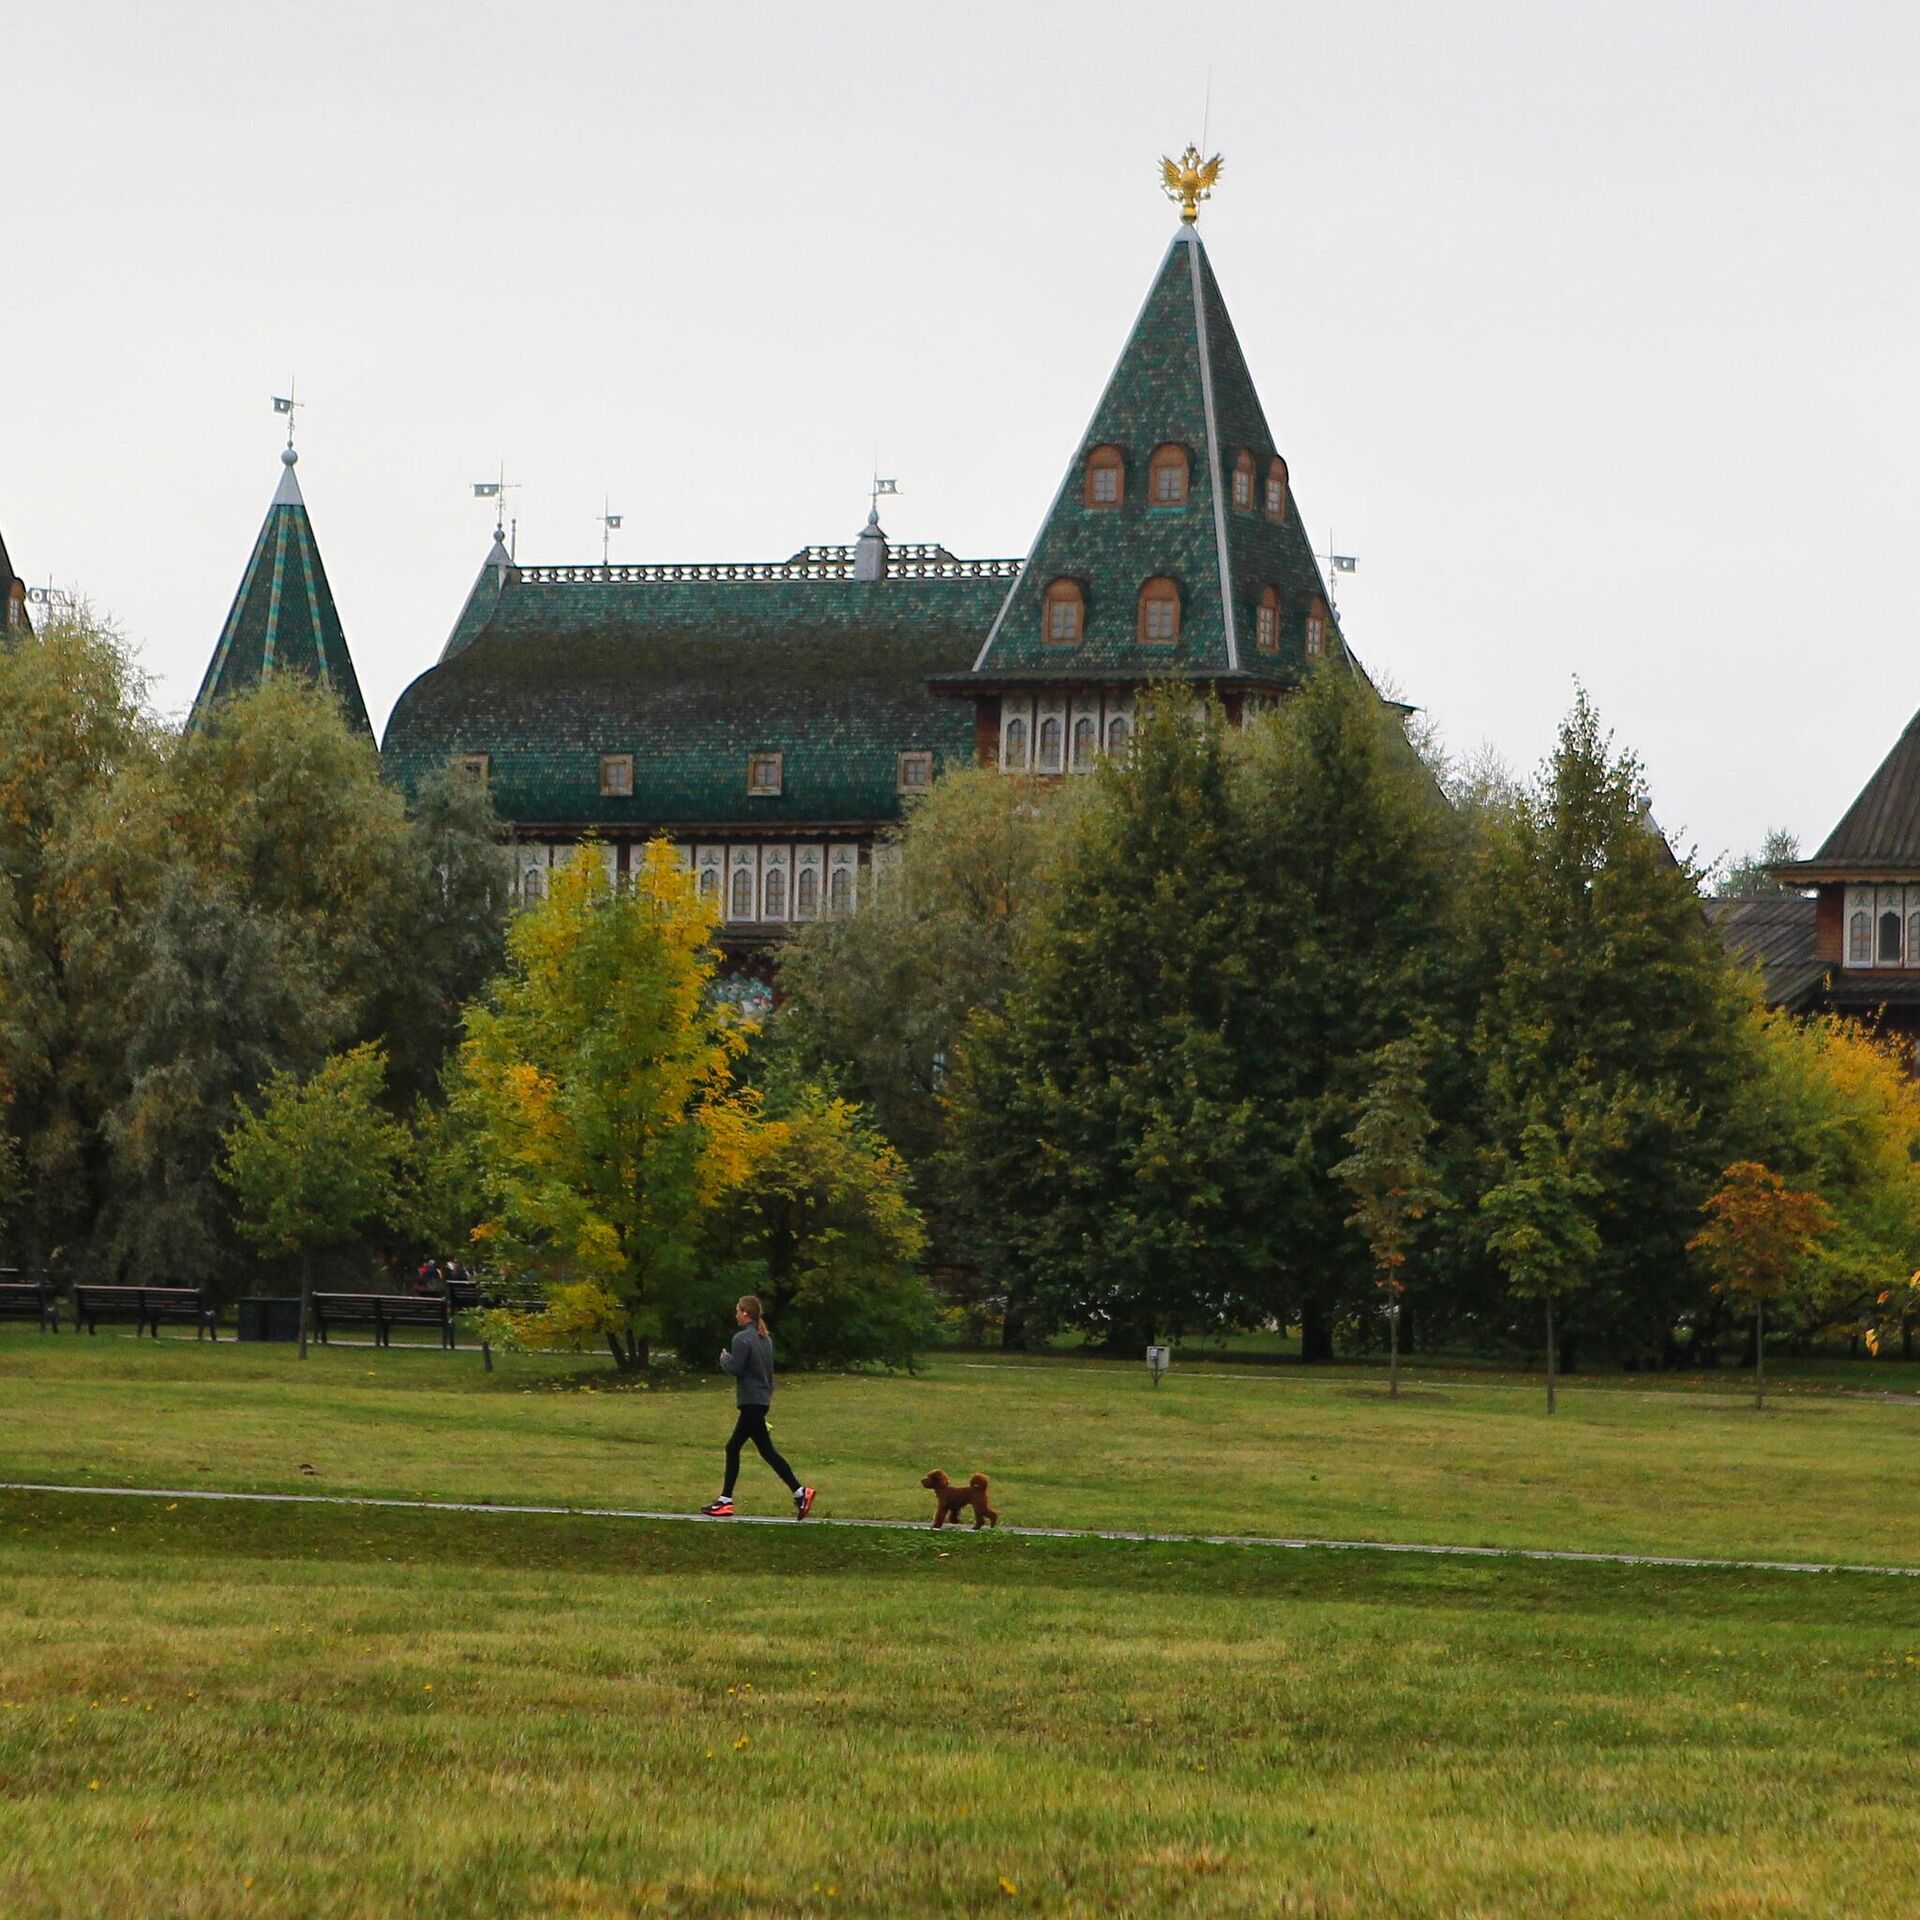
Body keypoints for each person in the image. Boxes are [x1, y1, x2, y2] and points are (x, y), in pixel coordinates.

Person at [701, 1294, 815, 1519]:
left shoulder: (742, 1339)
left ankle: (726, 1501)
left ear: (745, 1313)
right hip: (761, 1401)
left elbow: (736, 1368)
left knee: (735, 1448)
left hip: (750, 1402)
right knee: (762, 1451)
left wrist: (724, 1359)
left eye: (737, 1311)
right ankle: (799, 1493)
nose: (735, 1315)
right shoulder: (765, 1339)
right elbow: (767, 1373)